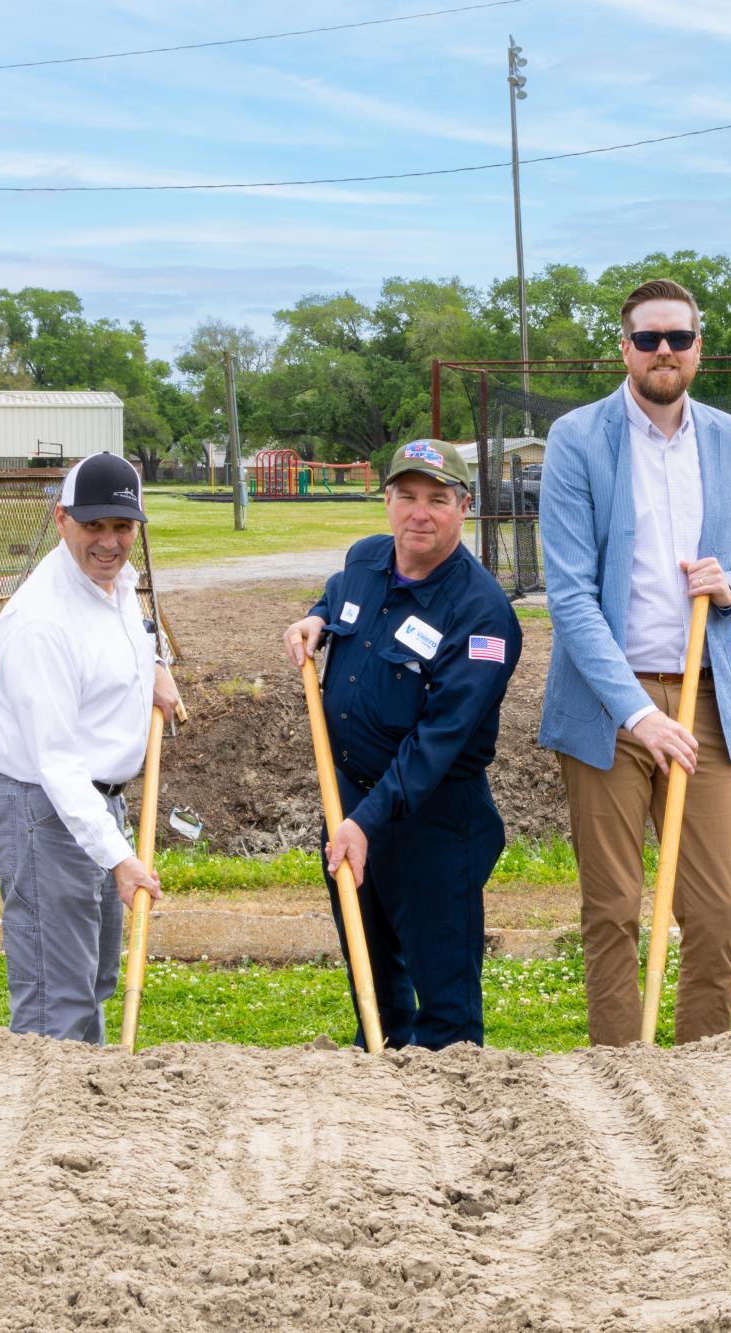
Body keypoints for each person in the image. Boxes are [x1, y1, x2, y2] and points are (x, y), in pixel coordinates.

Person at [538, 277, 731, 1047]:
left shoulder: (730, 440)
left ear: (699, 348)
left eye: (678, 337)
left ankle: (701, 1065)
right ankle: (622, 1073)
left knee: (715, 909)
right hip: (610, 705)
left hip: (703, 700)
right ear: (625, 348)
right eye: (648, 338)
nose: (664, 351)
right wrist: (639, 714)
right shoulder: (577, 439)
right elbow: (571, 597)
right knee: (612, 906)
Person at [282, 439, 521, 1050]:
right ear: (386, 499)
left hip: (434, 823)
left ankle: (455, 1129)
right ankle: (382, 1123)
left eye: (437, 500)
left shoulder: (482, 615)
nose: (420, 513)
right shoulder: (365, 561)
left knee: (445, 1013)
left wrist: (365, 822)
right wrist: (313, 618)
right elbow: (340, 600)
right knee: (376, 992)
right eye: (407, 496)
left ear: (463, 507)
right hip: (352, 810)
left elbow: (438, 743)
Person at [0, 452, 181, 1045]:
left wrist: (155, 669)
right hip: (45, 811)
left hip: (99, 805)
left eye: (121, 527)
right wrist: (120, 860)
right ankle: (47, 1130)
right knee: (57, 1002)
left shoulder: (114, 584)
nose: (109, 542)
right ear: (61, 519)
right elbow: (57, 763)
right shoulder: (41, 622)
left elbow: (128, 638)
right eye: (94, 526)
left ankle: (87, 1124)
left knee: (92, 979)